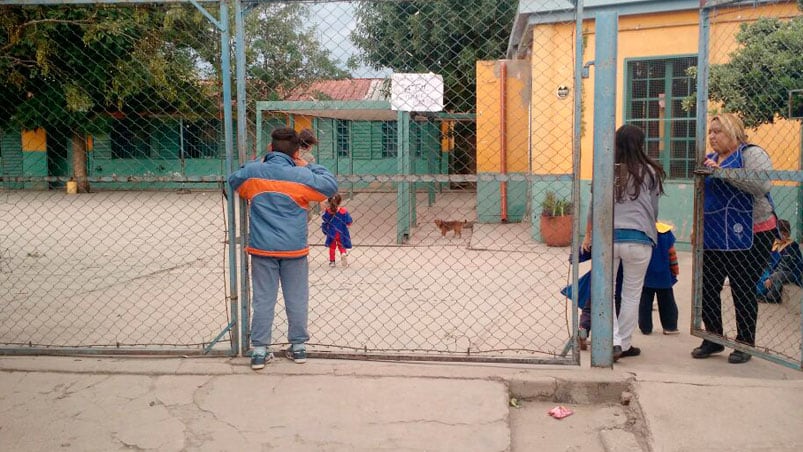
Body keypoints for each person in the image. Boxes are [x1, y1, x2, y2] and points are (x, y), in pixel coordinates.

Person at [228, 127, 338, 370]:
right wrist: (307, 165)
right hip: (294, 249)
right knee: (297, 298)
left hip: (262, 248)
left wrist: (260, 160)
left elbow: (235, 178)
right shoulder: (300, 175)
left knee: (263, 298)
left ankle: (259, 351)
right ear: (297, 151)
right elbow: (329, 186)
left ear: (270, 147)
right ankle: (298, 347)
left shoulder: (254, 173)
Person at [694, 112, 775, 364]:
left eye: (718, 131)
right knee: (707, 287)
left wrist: (723, 173)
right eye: (710, 131)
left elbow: (761, 186)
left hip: (752, 233)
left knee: (742, 287)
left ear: (733, 132)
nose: (712, 136)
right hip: (716, 234)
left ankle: (744, 342)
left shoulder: (751, 154)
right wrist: (697, 227)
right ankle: (714, 338)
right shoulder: (710, 159)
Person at [582, 124, 665, 361]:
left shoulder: (606, 170)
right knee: (631, 294)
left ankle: (614, 341)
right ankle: (625, 343)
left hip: (608, 239)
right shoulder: (650, 172)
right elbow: (654, 210)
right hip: (639, 240)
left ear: (616, 143)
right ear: (640, 145)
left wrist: (588, 236)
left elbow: (592, 208)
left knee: (605, 291)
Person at [638, 222, 680, 335]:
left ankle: (645, 328)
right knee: (667, 302)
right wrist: (675, 269)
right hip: (664, 275)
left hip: (645, 274)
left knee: (644, 303)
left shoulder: (642, 231)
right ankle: (670, 327)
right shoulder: (665, 231)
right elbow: (672, 253)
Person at [757, 219, 802, 303]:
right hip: (774, 270)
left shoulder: (792, 246)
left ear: (789, 233)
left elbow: (784, 266)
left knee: (778, 275)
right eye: (781, 234)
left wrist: (771, 277)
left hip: (790, 272)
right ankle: (759, 293)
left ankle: (772, 297)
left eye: (786, 234)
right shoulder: (775, 244)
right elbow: (768, 261)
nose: (784, 237)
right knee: (763, 272)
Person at [321, 193, 353, 267]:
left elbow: (325, 219)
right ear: (340, 201)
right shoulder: (343, 211)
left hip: (332, 231)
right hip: (341, 231)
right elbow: (349, 221)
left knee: (332, 247)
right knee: (341, 245)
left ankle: (332, 262)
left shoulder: (328, 211)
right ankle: (343, 253)